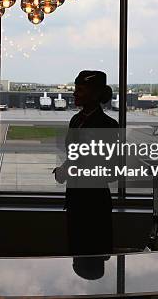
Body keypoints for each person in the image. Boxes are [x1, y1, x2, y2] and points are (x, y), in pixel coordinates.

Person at [53, 70, 118, 255]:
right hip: (75, 200)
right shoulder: (76, 120)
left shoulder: (109, 126)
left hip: (94, 204)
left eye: (80, 90)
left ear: (95, 94)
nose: (74, 93)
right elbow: (74, 157)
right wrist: (63, 169)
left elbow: (113, 172)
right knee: (76, 252)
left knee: (95, 253)